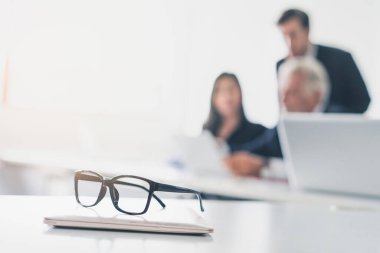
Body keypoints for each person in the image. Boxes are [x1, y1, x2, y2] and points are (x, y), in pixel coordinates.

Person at [225, 57, 330, 177]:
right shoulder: (282, 128)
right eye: (282, 93)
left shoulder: (336, 125)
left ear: (315, 97)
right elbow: (252, 150)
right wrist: (221, 147)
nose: (284, 101)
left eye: (292, 93)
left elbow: (318, 171)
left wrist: (266, 166)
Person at [276, 8, 371, 113]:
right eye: (285, 36)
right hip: (297, 128)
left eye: (293, 35)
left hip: (336, 126)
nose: (289, 43)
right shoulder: (282, 66)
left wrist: (332, 118)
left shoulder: (341, 59)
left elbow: (362, 101)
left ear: (307, 31)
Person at [203, 72, 267, 150]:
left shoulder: (259, 133)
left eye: (231, 89)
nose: (227, 95)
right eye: (221, 90)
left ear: (241, 94)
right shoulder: (206, 132)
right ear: (213, 99)